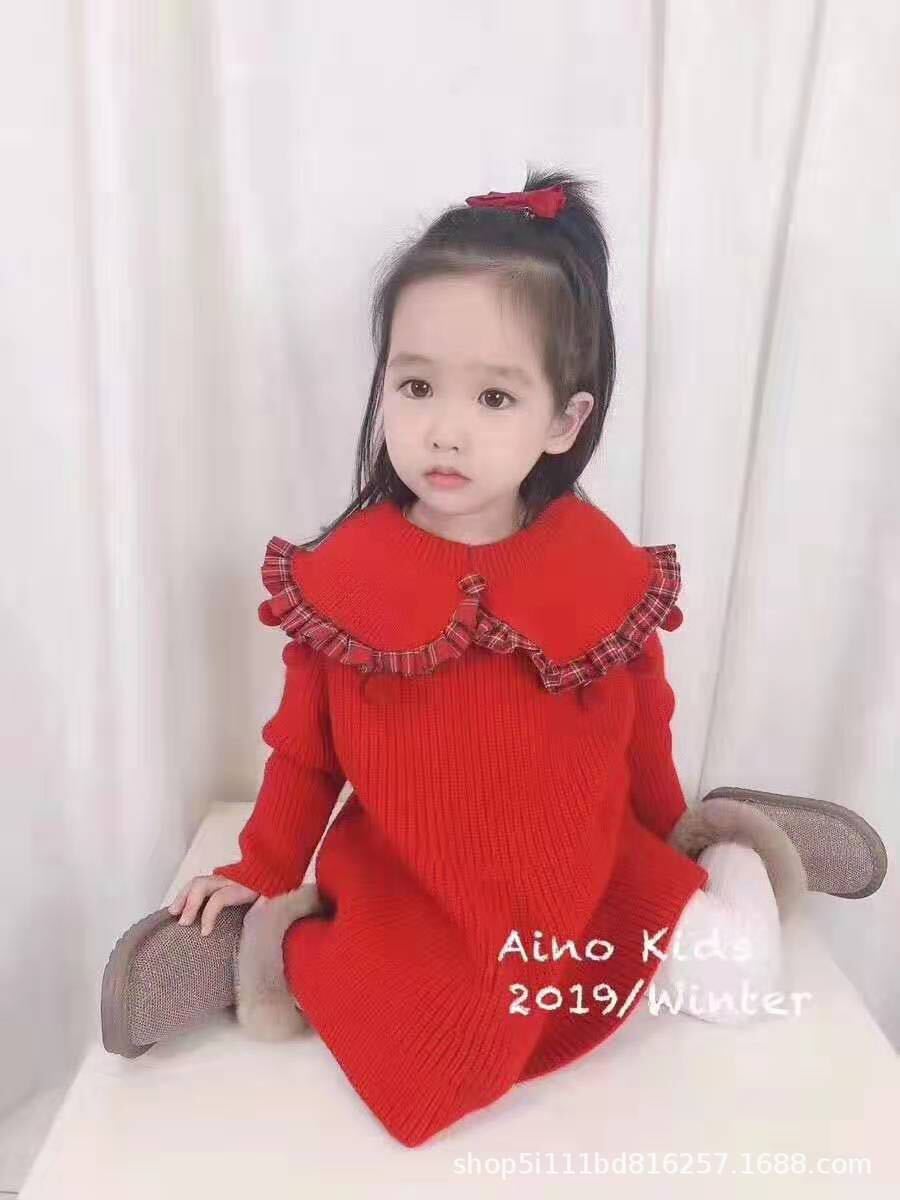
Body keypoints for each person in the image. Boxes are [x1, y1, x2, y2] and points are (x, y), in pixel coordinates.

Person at [101, 168, 887, 1148]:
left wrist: (669, 838)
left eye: (495, 397)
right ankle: (252, 946)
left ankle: (736, 846)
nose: (445, 429)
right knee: (399, 1020)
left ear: (564, 421)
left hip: (586, 874)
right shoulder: (345, 575)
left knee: (734, 984)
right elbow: (307, 752)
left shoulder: (594, 563)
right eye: (416, 386)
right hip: (418, 884)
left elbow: (641, 723)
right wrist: (259, 866)